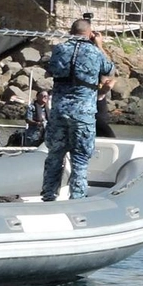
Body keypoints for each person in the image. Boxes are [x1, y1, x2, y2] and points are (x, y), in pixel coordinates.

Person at [42, 18, 114, 201]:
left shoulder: (59, 49)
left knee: (54, 155)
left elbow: (49, 70)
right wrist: (99, 45)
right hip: (83, 113)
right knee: (80, 158)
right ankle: (77, 198)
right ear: (90, 33)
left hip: (59, 110)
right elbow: (110, 70)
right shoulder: (95, 52)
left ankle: (49, 195)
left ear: (70, 30)